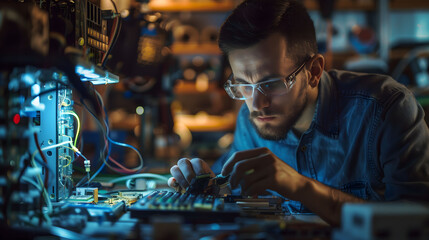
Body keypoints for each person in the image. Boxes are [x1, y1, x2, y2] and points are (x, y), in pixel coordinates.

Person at [168, 0, 429, 226]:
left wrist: (302, 188)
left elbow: (418, 219)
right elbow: (227, 188)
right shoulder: (252, 123)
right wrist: (206, 181)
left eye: (271, 83)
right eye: (244, 85)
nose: (258, 103)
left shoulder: (385, 109)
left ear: (314, 72)